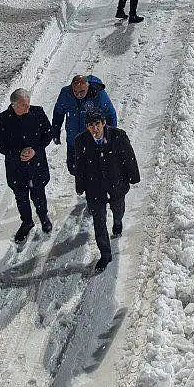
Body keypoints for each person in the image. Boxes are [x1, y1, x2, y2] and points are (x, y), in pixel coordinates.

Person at [71, 110, 141, 272]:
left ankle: (117, 223)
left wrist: (133, 176)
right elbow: (80, 165)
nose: (94, 129)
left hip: (115, 184)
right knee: (99, 222)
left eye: (97, 124)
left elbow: (129, 157)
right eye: (90, 126)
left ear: (103, 123)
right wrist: (80, 186)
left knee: (118, 210)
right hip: (95, 188)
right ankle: (105, 254)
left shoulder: (118, 136)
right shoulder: (80, 141)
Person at [0, 88, 54, 242]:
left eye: (28, 104)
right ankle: (27, 222)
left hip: (36, 164)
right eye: (24, 105)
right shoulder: (2, 120)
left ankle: (43, 216)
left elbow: (48, 134)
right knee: (21, 197)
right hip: (16, 168)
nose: (28, 107)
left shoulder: (37, 113)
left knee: (39, 194)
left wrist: (35, 150)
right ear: (14, 105)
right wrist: (17, 153)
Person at [51, 74, 117, 172]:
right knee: (74, 169)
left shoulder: (98, 94)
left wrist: (110, 135)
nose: (79, 94)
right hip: (73, 139)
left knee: (94, 171)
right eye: (75, 92)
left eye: (82, 91)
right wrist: (55, 132)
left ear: (88, 87)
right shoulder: (66, 93)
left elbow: (110, 114)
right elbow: (58, 113)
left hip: (93, 140)